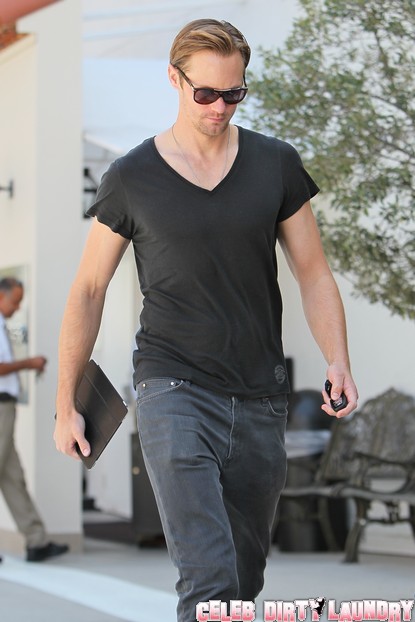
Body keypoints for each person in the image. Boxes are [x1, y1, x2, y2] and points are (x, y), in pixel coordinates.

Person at [54, 18, 358, 621]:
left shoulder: (276, 164)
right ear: (174, 79)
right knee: (209, 576)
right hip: (172, 387)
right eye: (206, 93)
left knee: (244, 576)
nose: (220, 107)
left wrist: (338, 359)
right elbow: (89, 289)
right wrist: (66, 402)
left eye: (234, 93)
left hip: (260, 395)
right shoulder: (131, 177)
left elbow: (313, 273)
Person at [0, 277, 69, 562]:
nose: (18, 307)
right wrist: (29, 363)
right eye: (15, 301)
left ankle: (36, 541)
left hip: (6, 409)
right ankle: (36, 540)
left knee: (12, 477)